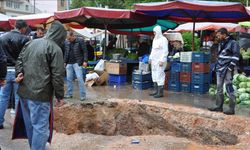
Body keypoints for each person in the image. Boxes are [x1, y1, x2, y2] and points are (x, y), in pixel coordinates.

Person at [14, 20, 66, 150]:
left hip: (24, 92)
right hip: (40, 95)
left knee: (31, 125)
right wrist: (60, 96)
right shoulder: (55, 49)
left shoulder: (31, 43)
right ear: (60, 35)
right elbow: (57, 75)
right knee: (40, 128)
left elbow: (19, 60)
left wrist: (19, 72)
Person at [0, 20, 29, 129]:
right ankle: (19, 124)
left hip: (5, 71)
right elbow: (26, 58)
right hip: (19, 72)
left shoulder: (2, 37)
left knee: (3, 98)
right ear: (23, 28)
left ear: (14, 26)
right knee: (18, 98)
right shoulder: (25, 39)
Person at [208, 28, 240, 115]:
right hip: (219, 69)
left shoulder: (233, 43)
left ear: (224, 34)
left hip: (227, 69)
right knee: (219, 88)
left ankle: (231, 109)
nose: (217, 37)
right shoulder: (221, 42)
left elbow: (236, 56)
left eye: (219, 35)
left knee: (229, 88)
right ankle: (218, 106)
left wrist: (230, 68)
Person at [64, 31, 88, 101]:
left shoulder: (80, 40)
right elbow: (66, 52)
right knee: (68, 79)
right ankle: (69, 94)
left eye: (69, 38)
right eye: (67, 39)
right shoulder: (67, 42)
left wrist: (85, 61)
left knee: (80, 79)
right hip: (69, 63)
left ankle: (83, 95)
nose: (68, 40)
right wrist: (65, 61)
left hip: (77, 63)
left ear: (73, 36)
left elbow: (85, 51)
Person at [149, 25, 169, 98]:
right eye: (153, 32)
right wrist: (150, 58)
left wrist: (162, 60)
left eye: (154, 32)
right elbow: (153, 50)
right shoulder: (155, 39)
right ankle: (155, 91)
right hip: (154, 61)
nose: (154, 33)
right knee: (154, 75)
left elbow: (165, 51)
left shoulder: (163, 39)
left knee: (160, 75)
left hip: (160, 61)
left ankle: (160, 93)